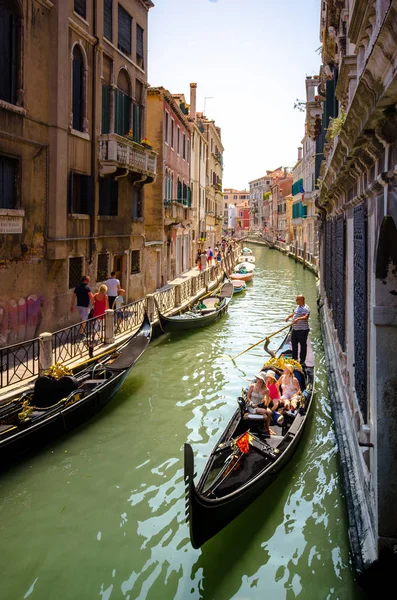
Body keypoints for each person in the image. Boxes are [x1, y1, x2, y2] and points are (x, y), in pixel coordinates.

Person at [244, 372, 273, 437]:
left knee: (269, 413)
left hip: (259, 406)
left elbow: (267, 400)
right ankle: (267, 430)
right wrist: (251, 403)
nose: (258, 380)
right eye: (258, 379)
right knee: (265, 412)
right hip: (251, 406)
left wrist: (265, 406)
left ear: (263, 381)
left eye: (260, 379)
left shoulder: (266, 390)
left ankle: (267, 428)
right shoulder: (252, 386)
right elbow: (248, 397)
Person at [285, 294, 310, 366]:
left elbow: (306, 317)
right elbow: (294, 313)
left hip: (302, 330)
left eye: (297, 299)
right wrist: (289, 317)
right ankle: (294, 359)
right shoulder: (297, 307)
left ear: (301, 300)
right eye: (296, 299)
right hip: (295, 329)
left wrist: (298, 319)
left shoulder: (306, 308)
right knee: (294, 344)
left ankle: (302, 361)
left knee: (303, 345)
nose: (296, 301)